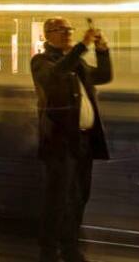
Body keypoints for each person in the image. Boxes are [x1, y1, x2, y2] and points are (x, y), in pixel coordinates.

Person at [32, 18, 113, 262]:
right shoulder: (42, 62)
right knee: (57, 199)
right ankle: (48, 251)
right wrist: (82, 45)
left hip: (83, 141)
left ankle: (70, 249)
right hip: (60, 142)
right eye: (62, 30)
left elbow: (104, 76)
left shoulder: (76, 62)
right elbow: (56, 74)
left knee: (78, 197)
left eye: (69, 29)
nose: (68, 33)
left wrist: (102, 51)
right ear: (48, 35)